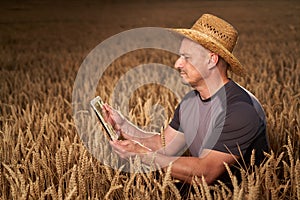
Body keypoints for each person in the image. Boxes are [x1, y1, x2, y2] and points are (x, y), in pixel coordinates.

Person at [103, 13, 269, 189]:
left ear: (212, 60)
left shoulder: (240, 110)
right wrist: (122, 126)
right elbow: (164, 145)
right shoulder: (190, 101)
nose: (177, 64)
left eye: (187, 57)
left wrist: (142, 155)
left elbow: (205, 174)